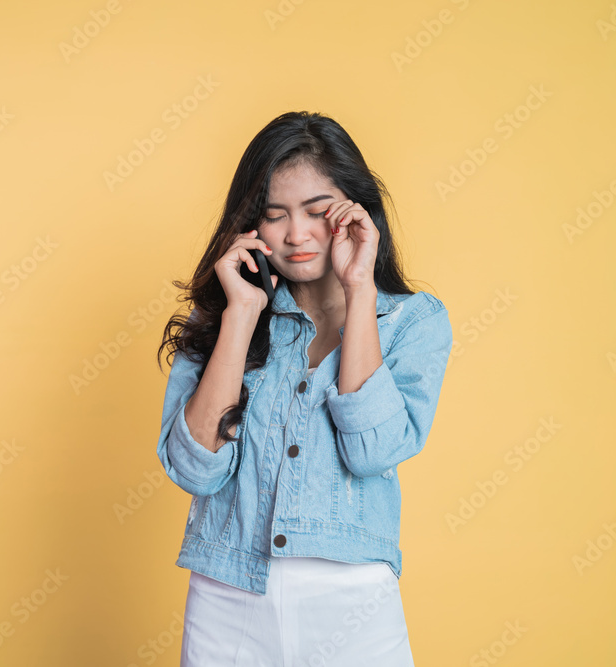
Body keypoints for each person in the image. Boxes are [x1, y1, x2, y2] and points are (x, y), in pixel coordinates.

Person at [155, 111, 454, 666]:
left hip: (354, 604)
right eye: (274, 216)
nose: (296, 235)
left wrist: (359, 289)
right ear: (251, 225)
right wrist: (242, 315)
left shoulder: (413, 322)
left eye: (318, 213)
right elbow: (194, 468)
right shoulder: (222, 319)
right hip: (228, 600)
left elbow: (373, 452)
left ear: (356, 213)